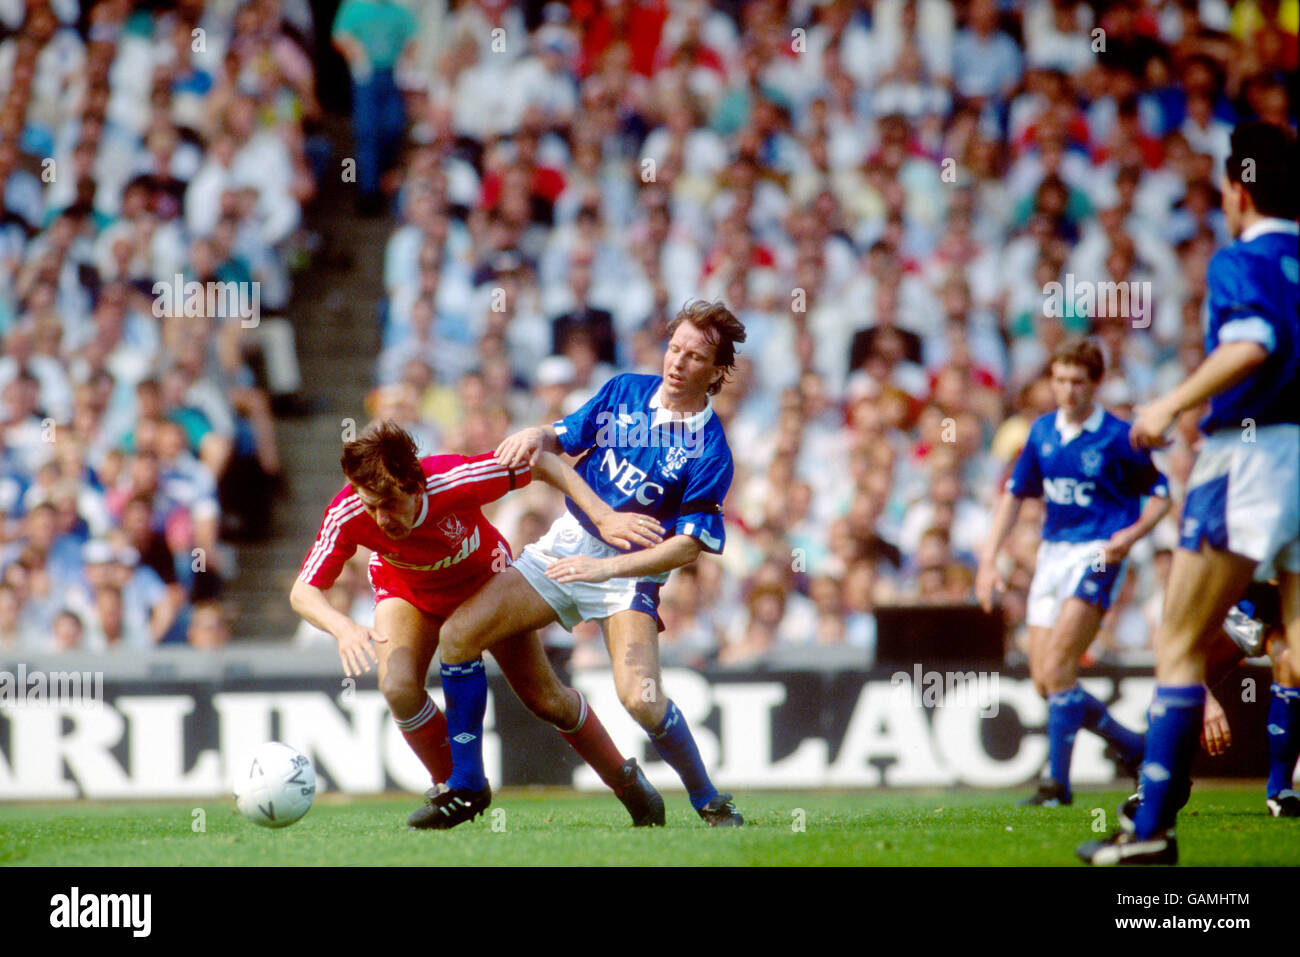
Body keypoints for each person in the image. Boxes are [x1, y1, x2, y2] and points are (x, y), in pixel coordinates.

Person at [424, 300, 748, 829]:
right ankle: (465, 786)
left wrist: (607, 570)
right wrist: (538, 435)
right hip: (567, 543)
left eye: (694, 357)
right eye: (674, 348)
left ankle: (710, 800)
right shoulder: (623, 390)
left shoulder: (711, 451)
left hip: (630, 575)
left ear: (716, 372)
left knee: (640, 700)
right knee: (458, 637)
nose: (677, 362)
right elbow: (562, 438)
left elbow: (688, 547)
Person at [1079, 121, 1299, 865]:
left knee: (1179, 644)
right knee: (1296, 651)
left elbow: (1254, 340)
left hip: (1254, 451)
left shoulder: (1243, 257)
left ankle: (1151, 829)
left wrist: (1169, 404)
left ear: (1237, 192)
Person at [289, 420, 666, 828]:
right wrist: (341, 626)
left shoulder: (453, 479)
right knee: (397, 687)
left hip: (485, 583)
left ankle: (625, 780)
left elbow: (544, 464)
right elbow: (302, 592)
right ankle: (456, 789)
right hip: (408, 593)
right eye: (370, 505)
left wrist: (604, 516)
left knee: (546, 700)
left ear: (416, 487)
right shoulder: (347, 510)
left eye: (390, 503)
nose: (380, 518)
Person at [977, 337, 1171, 806]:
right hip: (1051, 555)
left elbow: (1163, 493)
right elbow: (1014, 494)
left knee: (1060, 668)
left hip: (1097, 555)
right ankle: (1134, 746)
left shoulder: (1119, 437)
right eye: (1059, 379)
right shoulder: (1042, 431)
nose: (1066, 390)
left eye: (1077, 381)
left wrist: (1131, 536)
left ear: (1095, 383)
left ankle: (1056, 785)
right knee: (1045, 680)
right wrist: (988, 559)